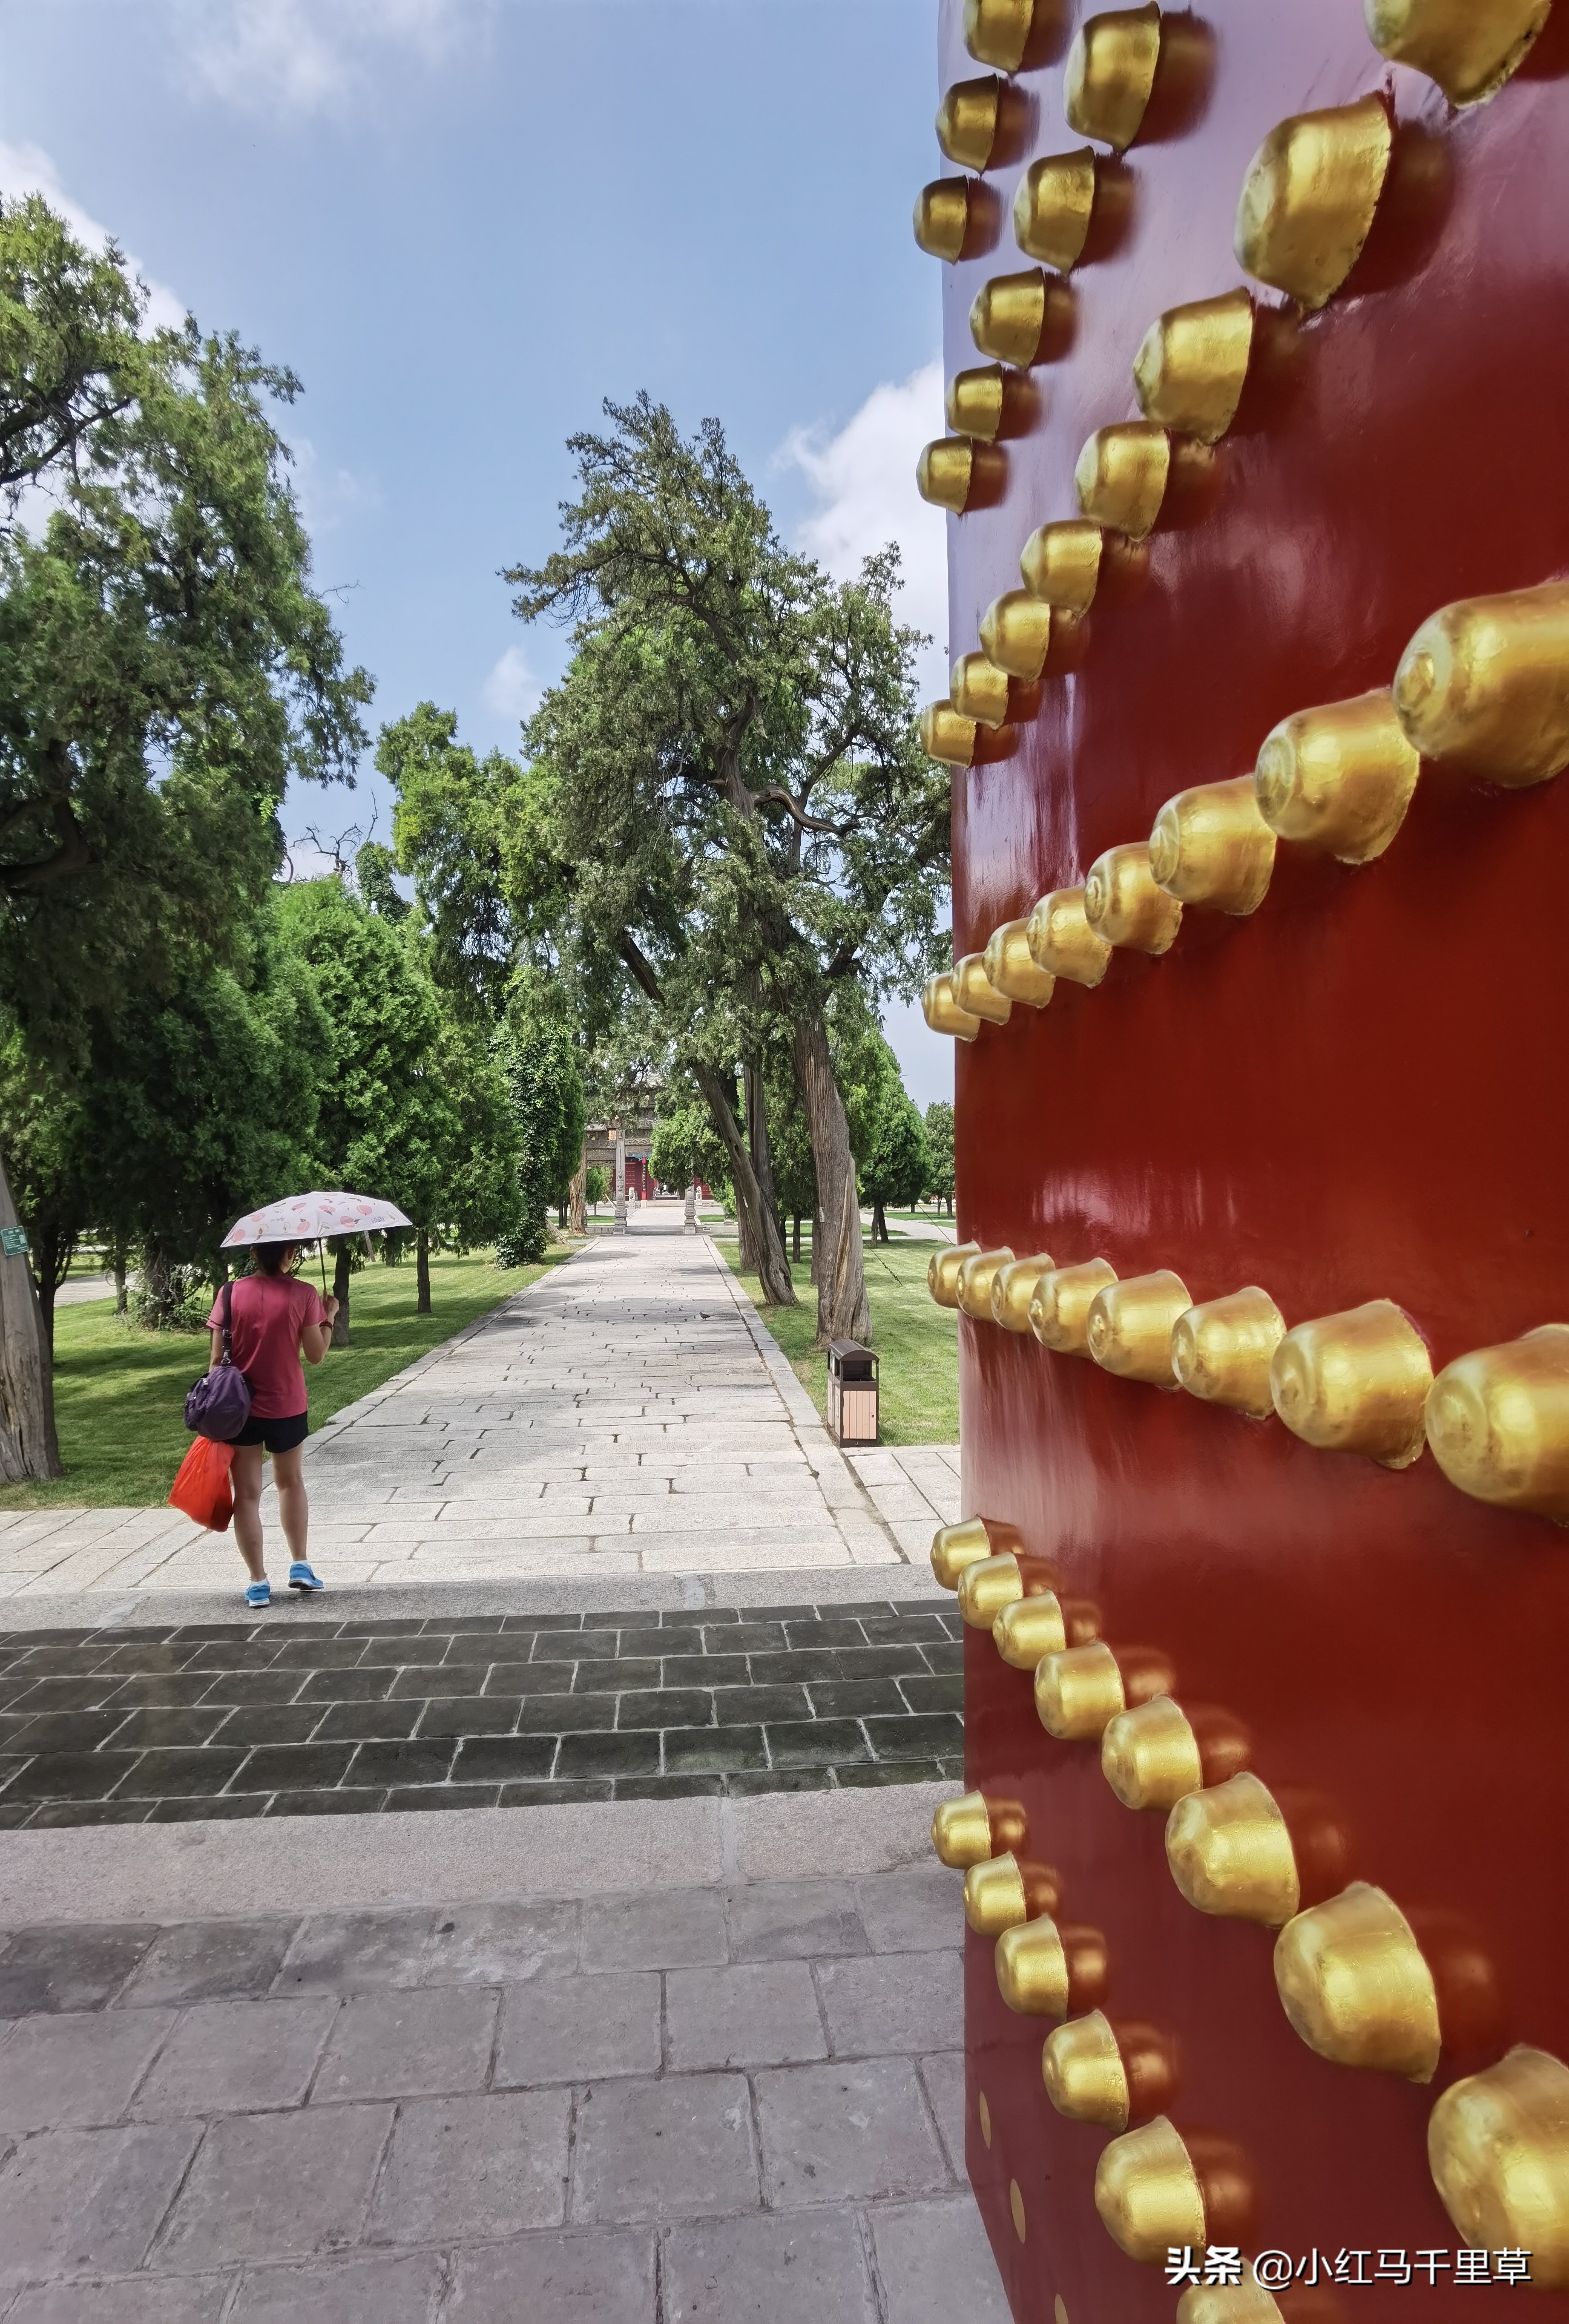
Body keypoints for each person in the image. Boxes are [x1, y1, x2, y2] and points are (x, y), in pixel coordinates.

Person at [206, 1241, 337, 1609]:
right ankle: (300, 1564)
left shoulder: (230, 1293)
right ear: (290, 1256)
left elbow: (216, 1359)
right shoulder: (304, 1294)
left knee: (246, 1495)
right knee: (290, 1481)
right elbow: (316, 1355)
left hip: (239, 1411)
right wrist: (329, 1316)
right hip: (287, 1405)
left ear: (253, 1253)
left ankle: (258, 1582)